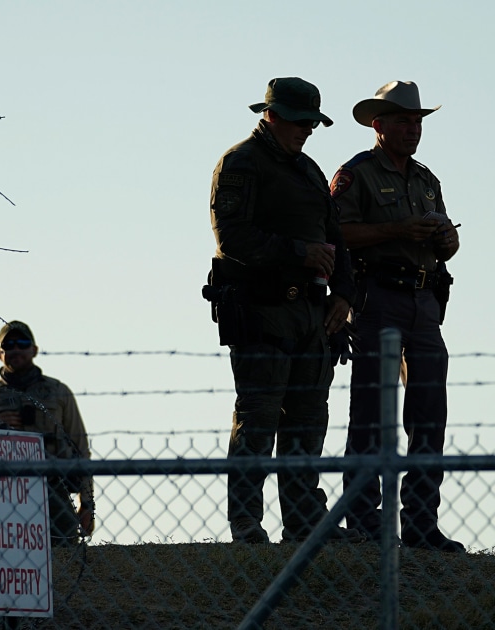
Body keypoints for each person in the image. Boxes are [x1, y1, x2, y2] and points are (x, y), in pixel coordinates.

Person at [205, 77, 363, 544]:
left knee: (308, 421)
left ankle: (302, 520)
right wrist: (299, 252)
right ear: (270, 115)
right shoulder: (240, 163)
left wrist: (344, 296)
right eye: (298, 121)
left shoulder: (311, 172)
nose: (306, 130)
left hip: (312, 316)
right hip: (261, 310)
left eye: (312, 123)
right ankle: (247, 523)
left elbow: (336, 240)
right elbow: (231, 238)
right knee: (258, 418)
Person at [331, 81, 463, 552]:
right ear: (377, 124)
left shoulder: (427, 179)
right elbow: (336, 235)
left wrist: (447, 241)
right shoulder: (355, 175)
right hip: (376, 300)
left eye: (418, 121)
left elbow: (446, 238)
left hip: (425, 304)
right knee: (371, 417)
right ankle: (364, 522)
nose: (413, 129)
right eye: (404, 121)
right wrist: (397, 229)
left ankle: (422, 524)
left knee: (429, 416)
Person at [0, 320, 94, 546]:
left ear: (34, 350)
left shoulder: (58, 392)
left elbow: (80, 448)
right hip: (2, 496)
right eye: (9, 345)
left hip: (53, 490)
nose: (16, 349)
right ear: (0, 353)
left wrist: (87, 503)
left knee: (64, 559)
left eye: (22, 343)